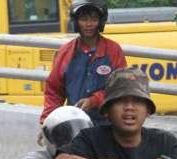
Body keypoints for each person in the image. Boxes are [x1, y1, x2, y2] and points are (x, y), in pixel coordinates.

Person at [40, 0, 126, 128]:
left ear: (100, 21)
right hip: (75, 125)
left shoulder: (113, 50)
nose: (89, 24)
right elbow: (54, 92)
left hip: (108, 124)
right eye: (84, 19)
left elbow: (122, 86)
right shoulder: (65, 52)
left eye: (94, 19)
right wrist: (46, 124)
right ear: (76, 22)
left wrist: (94, 100)